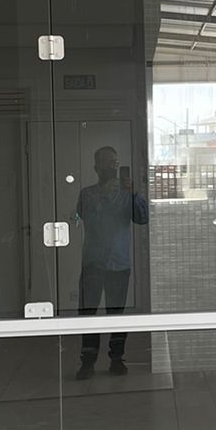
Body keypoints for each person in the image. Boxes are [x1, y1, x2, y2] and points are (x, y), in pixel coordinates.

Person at [74, 146, 149, 379]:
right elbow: (83, 219)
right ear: (96, 167)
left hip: (119, 263)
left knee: (116, 313)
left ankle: (117, 359)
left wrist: (134, 194)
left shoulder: (127, 194)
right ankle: (87, 363)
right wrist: (104, 197)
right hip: (93, 263)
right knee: (88, 313)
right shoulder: (87, 194)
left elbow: (143, 219)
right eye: (107, 162)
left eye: (115, 162)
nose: (112, 166)